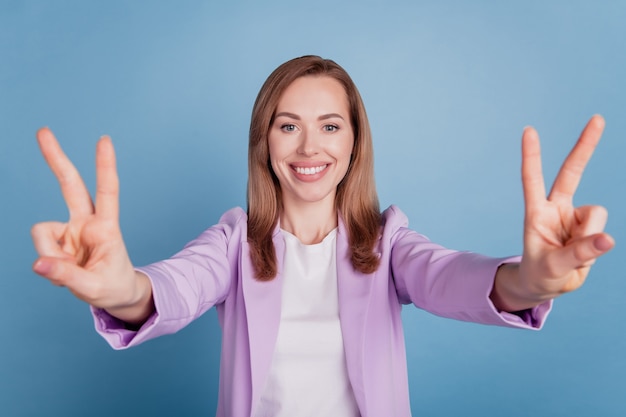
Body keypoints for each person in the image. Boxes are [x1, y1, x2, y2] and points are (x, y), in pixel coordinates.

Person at [31, 55, 614, 417]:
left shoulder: (389, 242)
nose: (310, 148)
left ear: (354, 143)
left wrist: (528, 281)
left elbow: (450, 277)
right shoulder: (235, 241)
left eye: (330, 126)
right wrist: (123, 293)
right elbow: (176, 287)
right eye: (289, 126)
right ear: (265, 142)